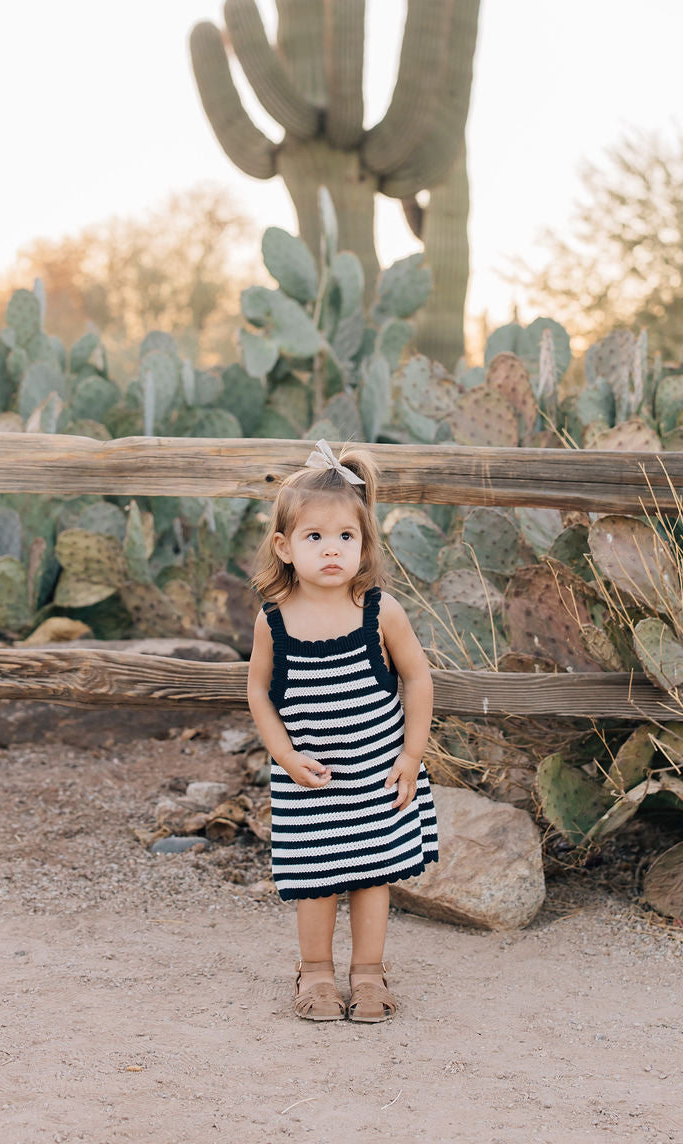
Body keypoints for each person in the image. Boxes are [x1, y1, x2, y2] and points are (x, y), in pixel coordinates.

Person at [246, 438, 438, 1023]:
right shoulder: (274, 621)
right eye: (314, 537)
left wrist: (411, 756)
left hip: (377, 773)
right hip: (310, 778)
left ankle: (369, 973)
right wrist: (284, 755)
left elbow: (418, 679)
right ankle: (316, 973)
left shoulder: (380, 612)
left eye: (346, 537)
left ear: (364, 543)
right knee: (315, 878)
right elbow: (258, 692)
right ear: (284, 547)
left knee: (373, 876)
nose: (332, 549)